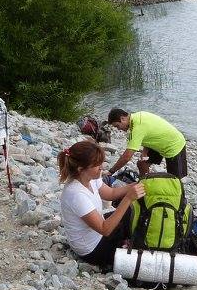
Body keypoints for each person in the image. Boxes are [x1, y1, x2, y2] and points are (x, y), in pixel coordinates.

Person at [58, 140, 145, 268]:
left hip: (97, 232)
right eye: (97, 165)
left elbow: (111, 193)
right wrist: (128, 198)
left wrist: (136, 185)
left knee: (132, 212)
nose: (101, 168)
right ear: (81, 169)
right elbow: (105, 229)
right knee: (131, 215)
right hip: (92, 249)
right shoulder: (76, 194)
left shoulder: (90, 178)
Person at [107, 108, 188, 178]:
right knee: (142, 164)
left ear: (122, 119)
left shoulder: (137, 128)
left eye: (117, 126)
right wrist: (144, 152)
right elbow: (149, 132)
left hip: (174, 145)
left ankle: (179, 192)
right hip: (158, 142)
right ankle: (144, 183)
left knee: (174, 179)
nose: (118, 129)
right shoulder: (138, 115)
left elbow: (127, 157)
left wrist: (111, 171)